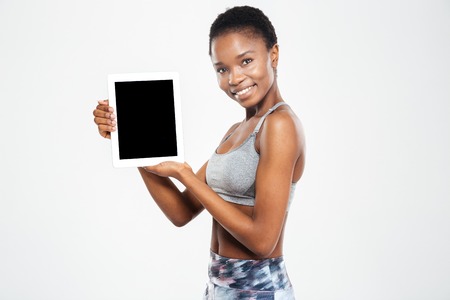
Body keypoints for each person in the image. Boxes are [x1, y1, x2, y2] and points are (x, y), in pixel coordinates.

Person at [93, 5, 305, 299]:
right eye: (222, 69)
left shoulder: (280, 125)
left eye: (246, 61)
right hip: (219, 285)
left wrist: (186, 175)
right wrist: (130, 141)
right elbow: (181, 212)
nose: (234, 78)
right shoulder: (236, 130)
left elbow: (262, 241)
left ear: (273, 55)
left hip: (258, 289)